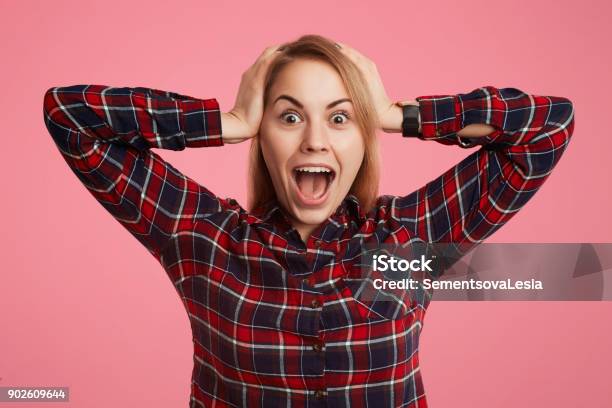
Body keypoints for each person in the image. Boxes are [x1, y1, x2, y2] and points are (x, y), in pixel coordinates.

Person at [42, 34, 575, 407]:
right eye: (289, 116)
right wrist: (225, 122)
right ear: (263, 137)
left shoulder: (409, 238)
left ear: (361, 140)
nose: (315, 139)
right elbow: (70, 116)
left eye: (341, 117)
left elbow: (550, 128)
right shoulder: (205, 239)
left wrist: (397, 115)